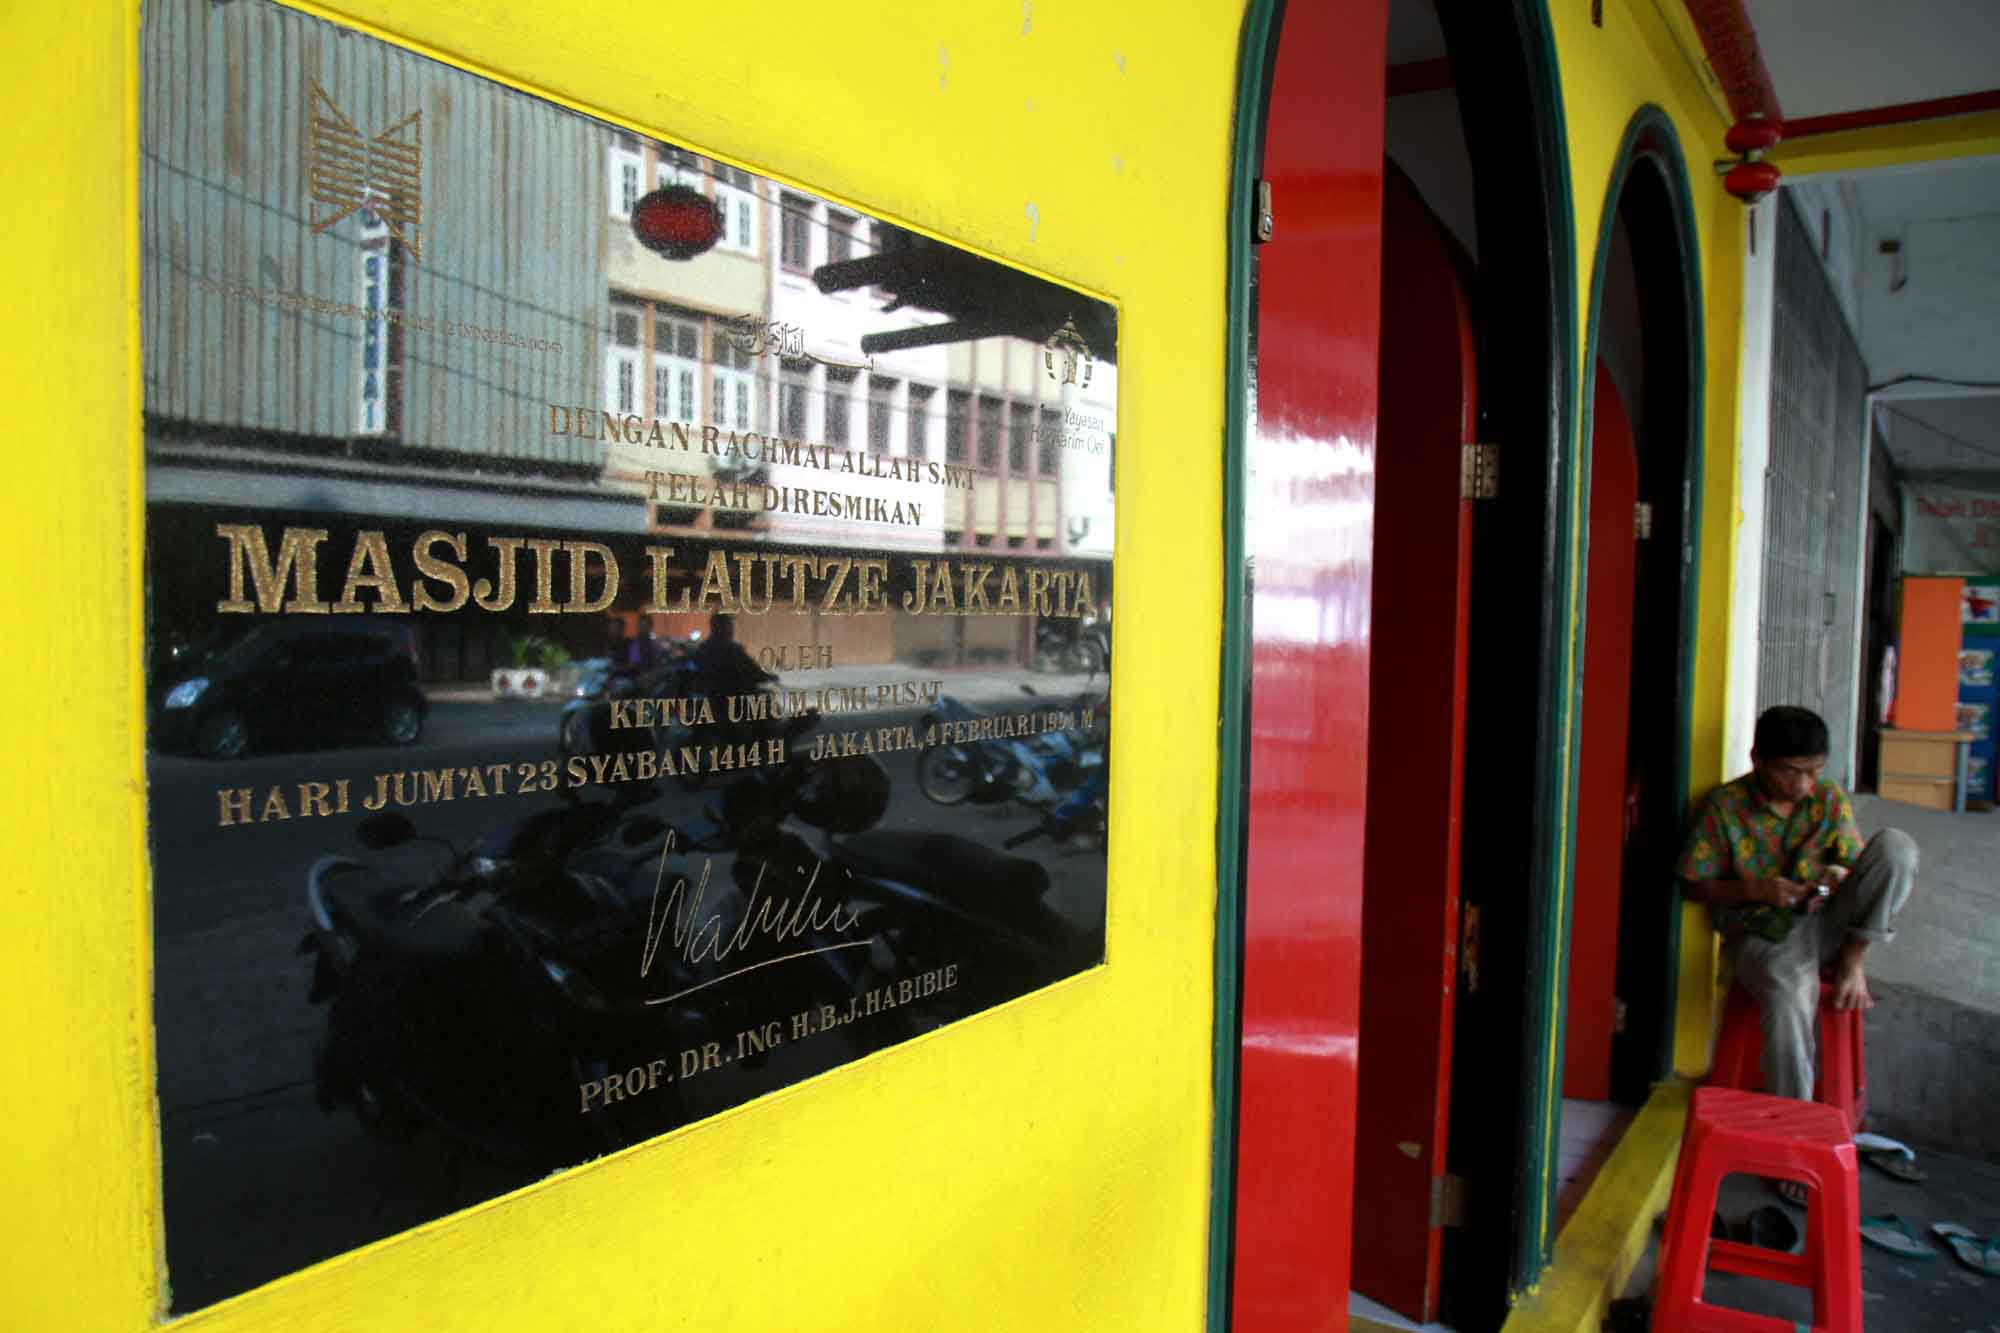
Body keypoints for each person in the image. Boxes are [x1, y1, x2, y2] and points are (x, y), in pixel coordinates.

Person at [1676, 705, 1919, 1105]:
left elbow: (1850, 860)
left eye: (1814, 770)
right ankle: (1795, 1133)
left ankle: (1851, 963)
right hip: (1765, 935)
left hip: (1828, 922)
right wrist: (1755, 890)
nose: (1805, 784)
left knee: (1896, 848)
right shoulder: (1725, 807)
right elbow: (1694, 886)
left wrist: (1834, 879)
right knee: (1790, 998)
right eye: (1791, 771)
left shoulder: (1826, 798)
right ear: (1758, 761)